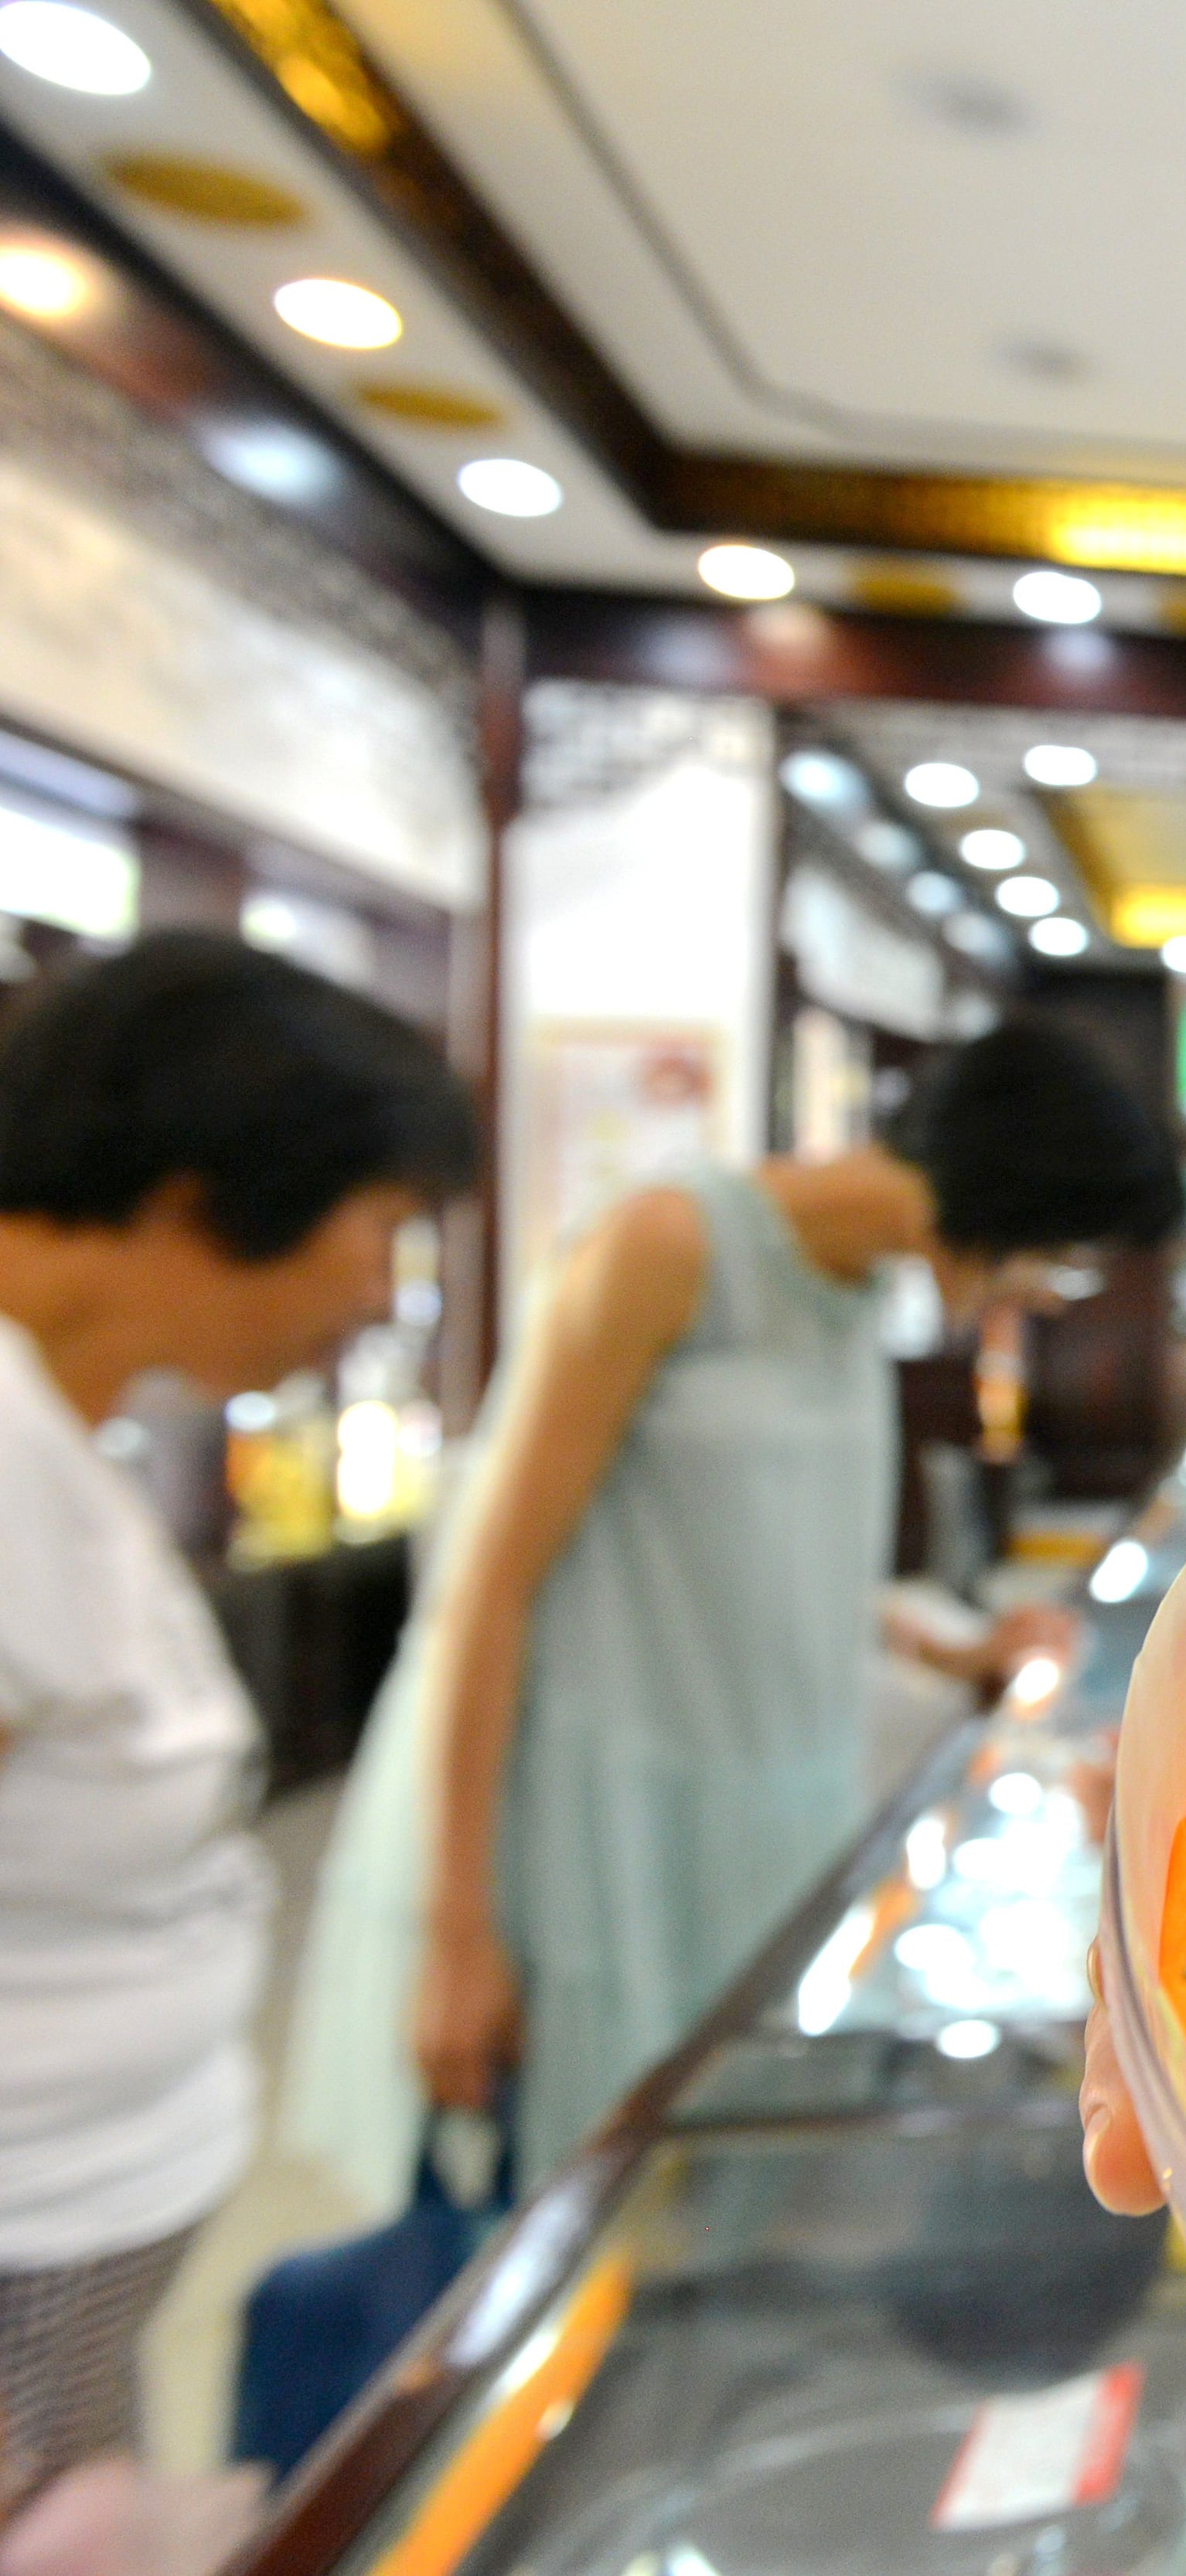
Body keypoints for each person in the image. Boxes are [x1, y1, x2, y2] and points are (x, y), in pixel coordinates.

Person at [290, 1015, 1184, 2197]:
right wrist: (459, 1928)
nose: (1045, 1288)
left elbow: (746, 1548)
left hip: (761, 1795)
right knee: (570, 2169)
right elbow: (487, 1584)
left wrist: (953, 1644)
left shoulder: (856, 1286)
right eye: (1059, 1254)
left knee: (699, 2151)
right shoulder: (668, 1245)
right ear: (1013, 1197)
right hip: (599, 1808)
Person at [0, 936, 475, 2527]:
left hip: (81, 2233)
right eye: (380, 1231)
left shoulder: (66, 1427)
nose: (376, 1293)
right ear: (212, 1192)